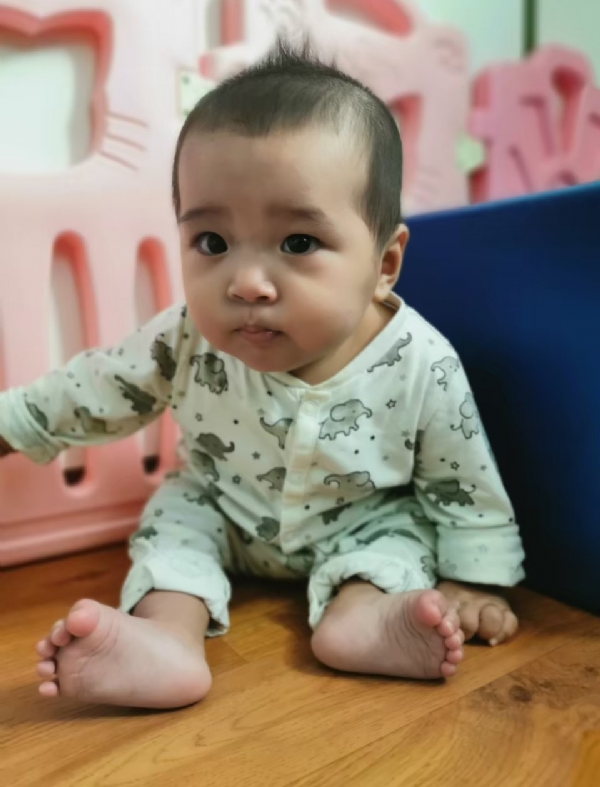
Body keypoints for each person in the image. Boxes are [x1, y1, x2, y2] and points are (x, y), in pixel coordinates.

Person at [0, 41, 524, 709]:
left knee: (397, 543)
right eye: (212, 243)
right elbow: (99, 387)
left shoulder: (422, 360)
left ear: (384, 263)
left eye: (298, 243)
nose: (246, 282)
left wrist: (476, 580)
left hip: (359, 522)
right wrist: (12, 424)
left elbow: (462, 480)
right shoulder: (184, 335)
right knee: (173, 525)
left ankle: (364, 621)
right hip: (223, 509)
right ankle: (165, 638)